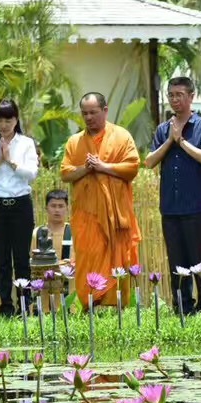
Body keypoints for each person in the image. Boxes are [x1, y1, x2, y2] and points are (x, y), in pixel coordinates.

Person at [60, 92, 141, 307]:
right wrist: (86, 169)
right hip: (87, 216)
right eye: (84, 113)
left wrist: (103, 167)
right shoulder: (75, 142)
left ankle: (116, 306)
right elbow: (66, 173)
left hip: (116, 217)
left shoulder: (122, 137)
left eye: (93, 112)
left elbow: (132, 168)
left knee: (117, 259)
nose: (88, 117)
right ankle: (90, 305)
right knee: (88, 256)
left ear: (105, 111)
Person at [144, 76, 201, 314]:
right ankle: (182, 309)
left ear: (191, 96)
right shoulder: (164, 129)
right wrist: (170, 141)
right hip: (171, 207)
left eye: (180, 95)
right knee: (177, 262)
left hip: (196, 206)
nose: (175, 100)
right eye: (171, 95)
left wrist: (181, 141)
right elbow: (149, 161)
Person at [0, 98, 40, 316]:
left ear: (16, 120)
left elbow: (32, 173)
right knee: (1, 258)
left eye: (8, 119)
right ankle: (5, 305)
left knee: (22, 257)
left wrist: (11, 161)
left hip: (21, 204)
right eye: (0, 119)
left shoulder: (26, 143)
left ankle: (25, 305)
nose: (4, 124)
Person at [31, 189, 72, 312]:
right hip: (42, 288)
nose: (57, 210)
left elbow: (77, 261)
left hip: (67, 289)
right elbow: (32, 259)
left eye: (61, 206)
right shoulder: (37, 233)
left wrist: (57, 266)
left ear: (67, 208)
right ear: (46, 208)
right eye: (53, 206)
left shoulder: (73, 232)